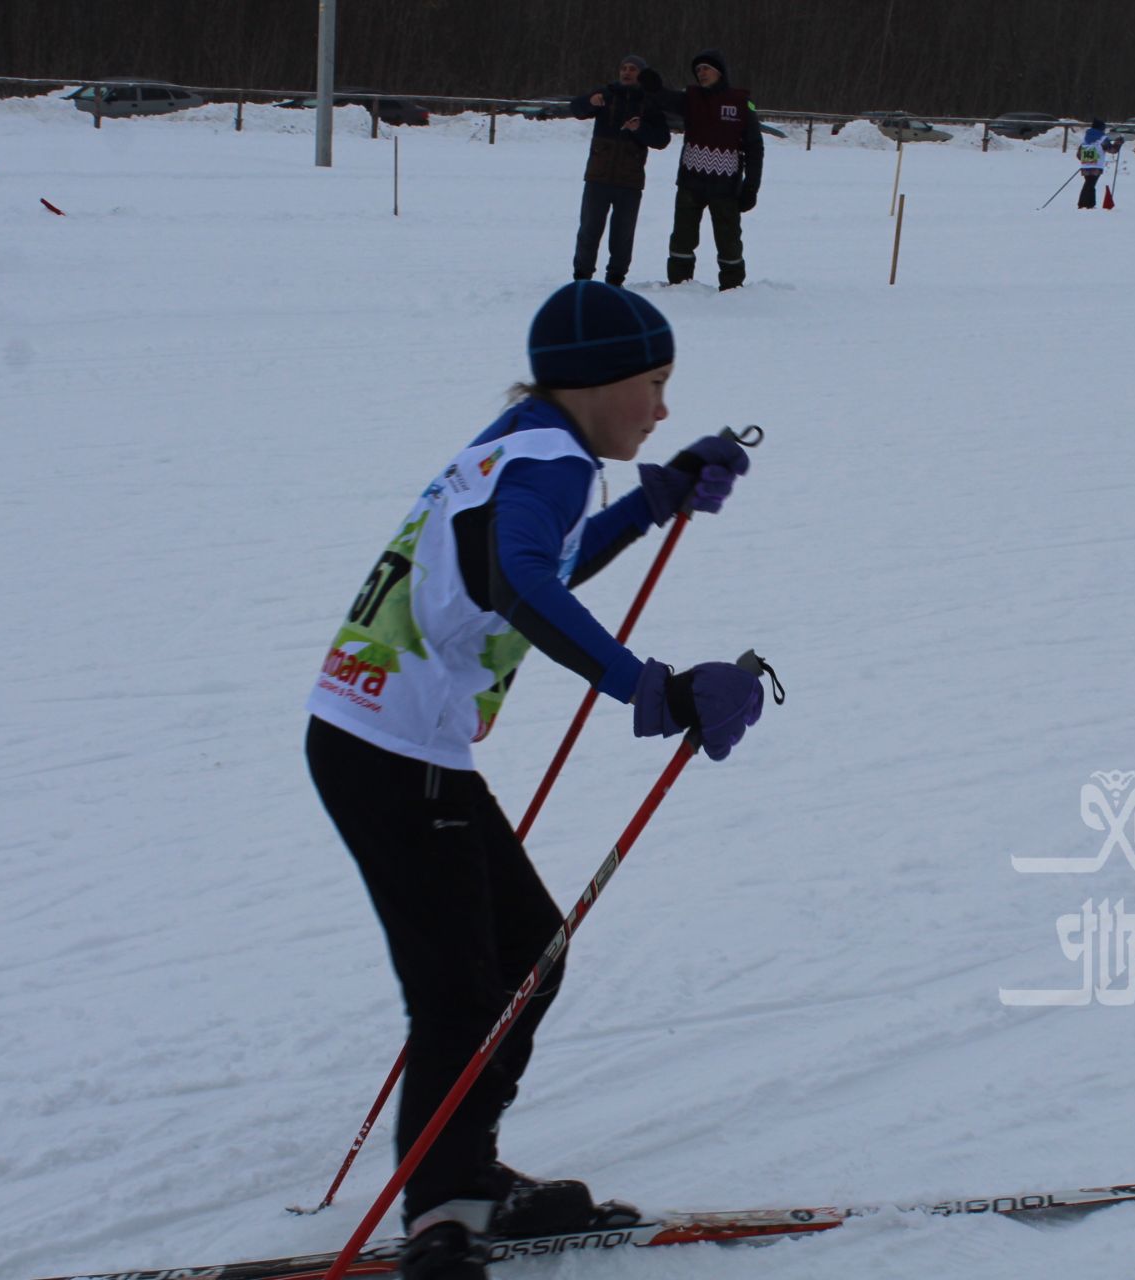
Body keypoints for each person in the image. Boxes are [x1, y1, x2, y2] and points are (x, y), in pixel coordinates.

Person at [304, 280, 764, 1280]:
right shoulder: (549, 458)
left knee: (524, 954)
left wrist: (649, 502)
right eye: (655, 382)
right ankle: (442, 1219)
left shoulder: (526, 441)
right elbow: (520, 579)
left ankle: (467, 1173)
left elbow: (528, 562)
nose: (663, 408)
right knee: (465, 991)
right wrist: (651, 686)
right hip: (392, 750)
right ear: (600, 382)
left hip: (383, 737)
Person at [652, 50, 763, 290]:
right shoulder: (690, 98)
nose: (701, 73)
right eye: (698, 69)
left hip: (725, 186)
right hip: (690, 183)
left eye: (706, 68)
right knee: (682, 237)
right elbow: (666, 99)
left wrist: (751, 187)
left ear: (720, 72)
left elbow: (755, 148)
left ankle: (732, 288)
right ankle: (679, 285)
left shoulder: (741, 103)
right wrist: (654, 87)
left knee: (728, 241)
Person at [567, 55, 671, 287]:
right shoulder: (605, 94)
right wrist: (589, 102)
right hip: (598, 177)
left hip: (629, 181)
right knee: (589, 230)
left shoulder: (649, 102)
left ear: (641, 74)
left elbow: (662, 140)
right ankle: (582, 277)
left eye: (632, 69)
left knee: (622, 236)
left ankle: (615, 279)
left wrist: (640, 129)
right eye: (623, 68)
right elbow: (576, 108)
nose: (626, 72)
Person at [1076, 117, 1123, 210]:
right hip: (1096, 165)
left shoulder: (1086, 138)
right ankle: (1088, 204)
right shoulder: (1102, 138)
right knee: (1090, 184)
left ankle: (1083, 204)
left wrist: (1087, 159)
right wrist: (1118, 143)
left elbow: (1079, 154)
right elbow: (1112, 150)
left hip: (1085, 165)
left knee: (1088, 183)